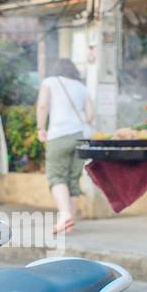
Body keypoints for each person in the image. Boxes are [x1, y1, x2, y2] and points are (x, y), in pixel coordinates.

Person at [37, 57, 94, 234]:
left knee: (57, 176)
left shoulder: (50, 82)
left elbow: (42, 105)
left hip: (58, 135)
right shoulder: (81, 87)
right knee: (73, 179)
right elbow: (91, 115)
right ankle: (69, 222)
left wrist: (40, 127)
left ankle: (64, 216)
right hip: (79, 136)